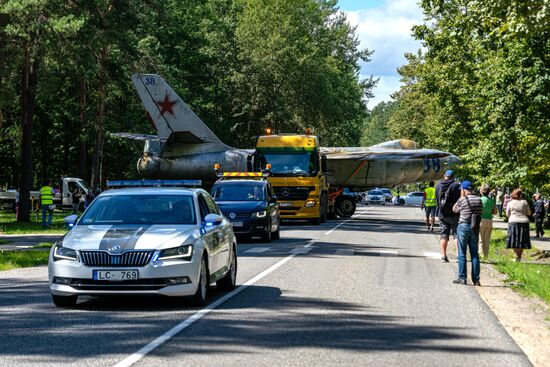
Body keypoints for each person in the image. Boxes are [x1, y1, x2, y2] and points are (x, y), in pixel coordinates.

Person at [452, 180, 482, 285]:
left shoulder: (463, 200)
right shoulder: (479, 199)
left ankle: (462, 277)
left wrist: (461, 197)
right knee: (474, 254)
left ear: (464, 189)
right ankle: (476, 279)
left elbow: (454, 209)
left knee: (462, 253)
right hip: (475, 227)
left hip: (463, 226)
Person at [435, 170, 461, 263]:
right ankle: (459, 256)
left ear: (444, 176)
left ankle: (443, 256)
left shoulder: (438, 185)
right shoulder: (456, 185)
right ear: (453, 177)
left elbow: (437, 200)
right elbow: (460, 200)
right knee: (456, 235)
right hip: (455, 214)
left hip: (442, 214)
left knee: (444, 235)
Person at [506, 188, 531, 262]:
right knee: (522, 240)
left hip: (513, 222)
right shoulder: (525, 202)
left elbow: (507, 214)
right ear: (520, 195)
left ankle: (516, 256)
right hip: (524, 222)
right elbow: (529, 213)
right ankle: (519, 257)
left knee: (514, 239)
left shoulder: (510, 203)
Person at [479, 184, 497, 259]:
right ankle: (486, 255)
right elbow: (495, 212)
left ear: (481, 191)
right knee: (487, 239)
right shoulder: (492, 200)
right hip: (489, 220)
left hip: (481, 219)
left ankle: (480, 254)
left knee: (480, 239)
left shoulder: (480, 199)